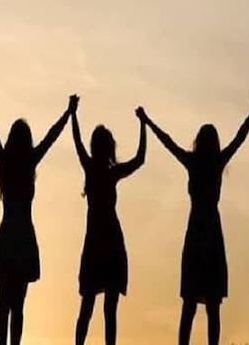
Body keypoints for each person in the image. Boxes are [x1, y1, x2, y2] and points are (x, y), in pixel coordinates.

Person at [139, 98, 249, 345]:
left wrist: (147, 121)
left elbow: (168, 142)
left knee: (191, 304)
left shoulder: (194, 162)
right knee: (211, 305)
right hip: (210, 232)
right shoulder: (216, 162)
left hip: (197, 232)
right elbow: (240, 137)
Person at [0, 84, 78, 345]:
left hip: (7, 237)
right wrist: (68, 112)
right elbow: (51, 137)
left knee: (4, 302)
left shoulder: (5, 162)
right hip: (23, 238)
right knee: (17, 305)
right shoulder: (28, 162)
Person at [72, 101, 147, 345]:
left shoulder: (92, 168)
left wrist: (73, 114)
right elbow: (140, 159)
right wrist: (143, 124)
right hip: (109, 241)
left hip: (97, 241)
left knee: (89, 305)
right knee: (107, 310)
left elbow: (77, 142)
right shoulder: (109, 172)